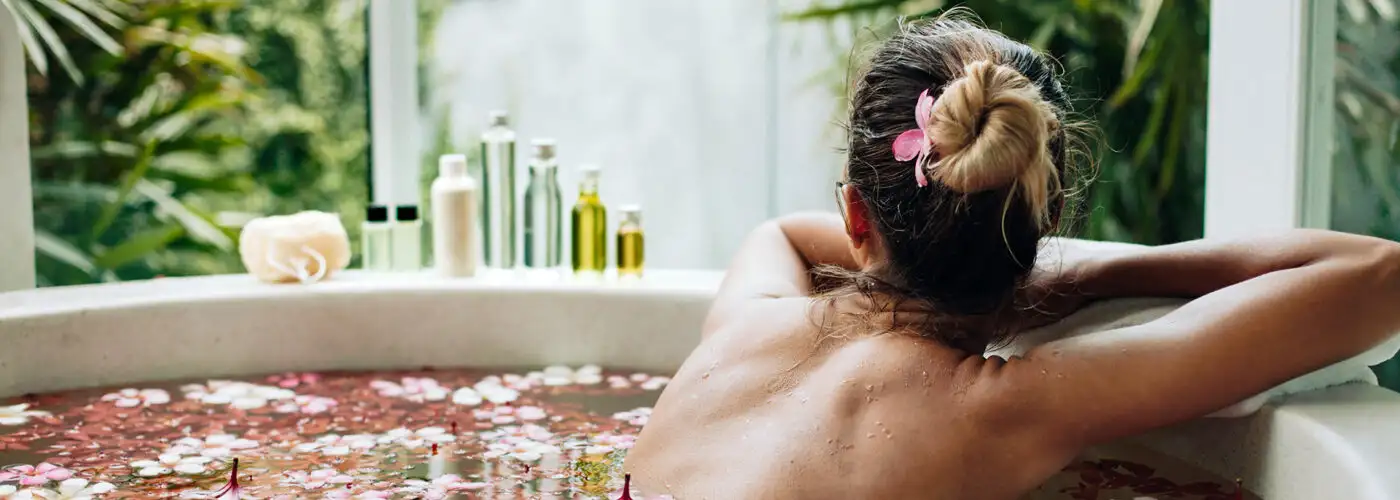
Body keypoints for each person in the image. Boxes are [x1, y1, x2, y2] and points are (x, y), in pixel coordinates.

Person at [623, 15, 1400, 500]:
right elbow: (1378, 274)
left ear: (856, 215)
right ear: (1046, 218)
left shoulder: (744, 330)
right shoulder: (1004, 407)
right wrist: (1084, 274)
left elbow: (784, 233)